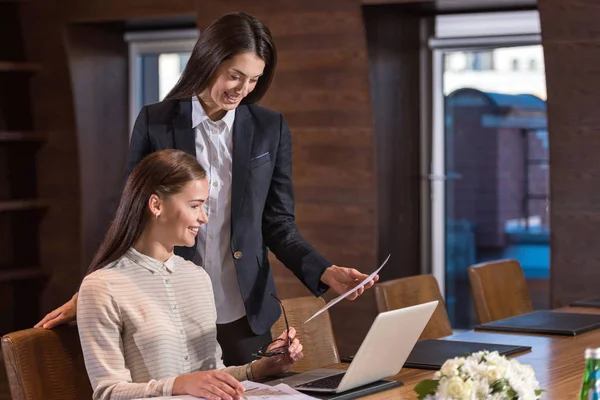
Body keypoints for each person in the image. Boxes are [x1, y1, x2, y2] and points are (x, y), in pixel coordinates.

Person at [37, 11, 378, 365]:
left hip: (246, 308)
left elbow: (278, 223)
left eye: (253, 80)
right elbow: (134, 215)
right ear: (209, 60)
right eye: (235, 76)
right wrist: (93, 291)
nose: (243, 90)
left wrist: (325, 271)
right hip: (170, 304)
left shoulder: (269, 127)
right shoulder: (156, 122)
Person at [78, 149, 304, 400]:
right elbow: (107, 392)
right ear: (156, 205)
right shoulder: (102, 287)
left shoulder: (198, 277)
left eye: (204, 206)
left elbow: (210, 375)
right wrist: (178, 385)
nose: (204, 217)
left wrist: (262, 367)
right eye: (195, 205)